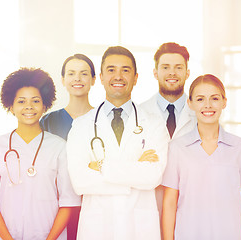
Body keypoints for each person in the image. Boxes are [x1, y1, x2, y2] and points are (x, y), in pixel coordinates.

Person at [66, 46, 168, 240]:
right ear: (102, 77)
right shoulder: (81, 125)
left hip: (140, 229)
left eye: (125, 70)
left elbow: (152, 177)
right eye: (111, 70)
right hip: (97, 229)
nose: (118, 76)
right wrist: (135, 170)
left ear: (136, 78)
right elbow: (80, 182)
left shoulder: (154, 123)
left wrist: (102, 166)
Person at [0, 68, 81, 240]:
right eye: (21, 101)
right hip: (8, 236)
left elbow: (68, 201)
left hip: (50, 235)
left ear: (45, 105)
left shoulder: (59, 148)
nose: (29, 106)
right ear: (11, 106)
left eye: (35, 101)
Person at [161, 74, 241, 240]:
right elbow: (169, 203)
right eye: (201, 99)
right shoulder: (177, 149)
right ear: (190, 103)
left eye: (215, 98)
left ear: (224, 102)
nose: (208, 105)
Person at [40, 54, 96, 240]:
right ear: (63, 80)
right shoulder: (48, 121)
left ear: (94, 80)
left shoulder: (103, 120)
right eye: (71, 74)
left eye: (84, 74)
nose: (78, 79)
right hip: (57, 207)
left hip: (94, 203)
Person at [139, 42, 197, 222]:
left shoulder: (201, 114)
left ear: (187, 73)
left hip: (191, 202)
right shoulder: (138, 114)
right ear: (155, 72)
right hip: (148, 204)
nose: (172, 73)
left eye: (178, 67)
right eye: (165, 67)